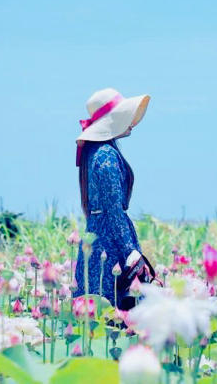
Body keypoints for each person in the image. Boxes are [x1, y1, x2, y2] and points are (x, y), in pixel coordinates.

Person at [72, 88, 151, 309]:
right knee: (118, 312)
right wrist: (130, 251)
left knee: (92, 313)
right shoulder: (106, 155)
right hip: (111, 242)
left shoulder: (94, 152)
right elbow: (114, 209)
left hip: (94, 238)